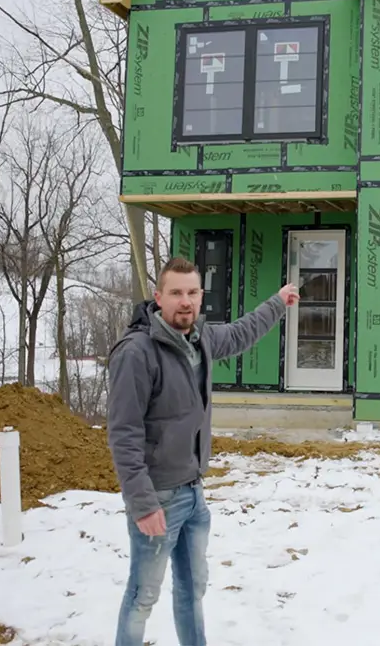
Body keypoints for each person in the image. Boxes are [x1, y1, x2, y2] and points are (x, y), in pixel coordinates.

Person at [106, 256, 299, 646]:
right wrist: (142, 503)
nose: (185, 301)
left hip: (194, 493)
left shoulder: (201, 338)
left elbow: (242, 333)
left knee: (192, 591)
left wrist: (277, 303)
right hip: (158, 497)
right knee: (143, 596)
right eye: (176, 293)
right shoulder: (137, 353)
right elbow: (123, 433)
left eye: (192, 292)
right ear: (158, 298)